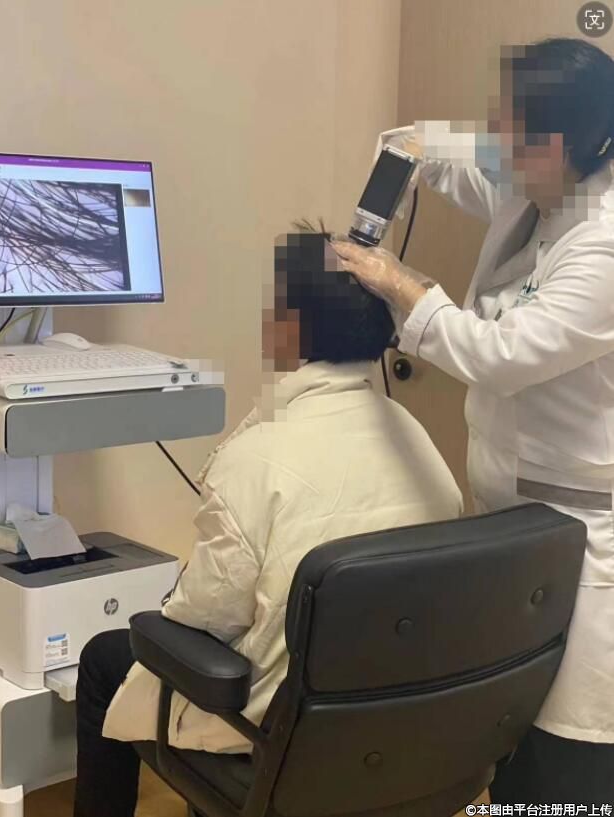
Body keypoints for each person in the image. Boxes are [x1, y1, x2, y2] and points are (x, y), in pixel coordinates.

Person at [73, 226, 462, 817]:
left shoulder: (256, 458)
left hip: (286, 735)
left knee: (108, 658)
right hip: (399, 727)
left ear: (287, 327)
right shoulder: (419, 440)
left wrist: (169, 607)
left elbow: (204, 620)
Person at [332, 37, 614, 804]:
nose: (491, 141)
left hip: (582, 536)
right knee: (507, 730)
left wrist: (399, 283)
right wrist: (410, 153)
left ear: (553, 147)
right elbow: (446, 157)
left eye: (505, 130)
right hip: (508, 517)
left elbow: (499, 354)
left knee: (567, 757)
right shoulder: (540, 186)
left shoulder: (602, 243)